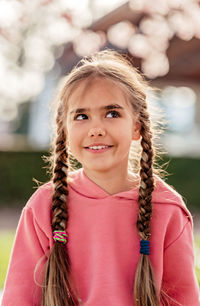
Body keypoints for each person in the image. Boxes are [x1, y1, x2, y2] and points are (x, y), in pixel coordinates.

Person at [2, 50, 200, 306]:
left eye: (112, 113)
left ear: (137, 126)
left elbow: (183, 300)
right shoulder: (43, 207)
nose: (96, 129)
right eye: (81, 116)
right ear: (64, 128)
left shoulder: (167, 209)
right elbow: (18, 300)